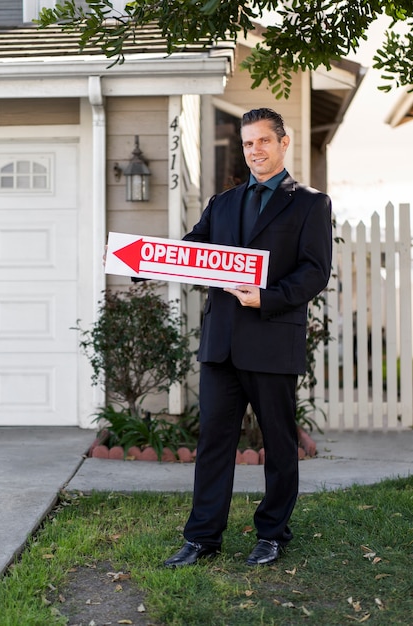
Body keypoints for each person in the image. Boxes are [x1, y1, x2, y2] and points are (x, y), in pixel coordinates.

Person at [164, 107, 332, 568]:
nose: (254, 150)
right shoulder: (223, 203)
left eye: (262, 141)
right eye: (247, 143)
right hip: (222, 344)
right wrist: (139, 262)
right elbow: (192, 249)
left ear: (284, 143)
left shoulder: (310, 204)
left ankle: (273, 533)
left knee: (278, 443)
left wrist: (268, 297)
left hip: (273, 339)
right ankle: (202, 538)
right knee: (214, 443)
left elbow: (315, 272)